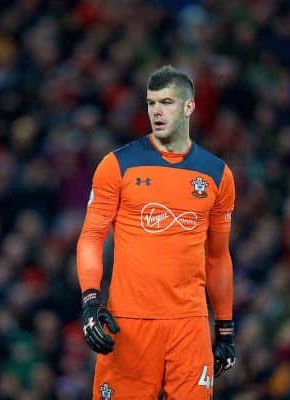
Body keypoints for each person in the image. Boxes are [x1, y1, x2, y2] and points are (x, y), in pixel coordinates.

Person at [76, 65, 237, 399]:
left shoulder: (217, 176)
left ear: (189, 107)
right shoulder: (117, 165)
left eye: (166, 102)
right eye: (151, 103)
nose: (156, 112)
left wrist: (225, 328)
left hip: (189, 326)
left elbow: (218, 256)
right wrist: (91, 301)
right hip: (129, 323)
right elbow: (92, 236)